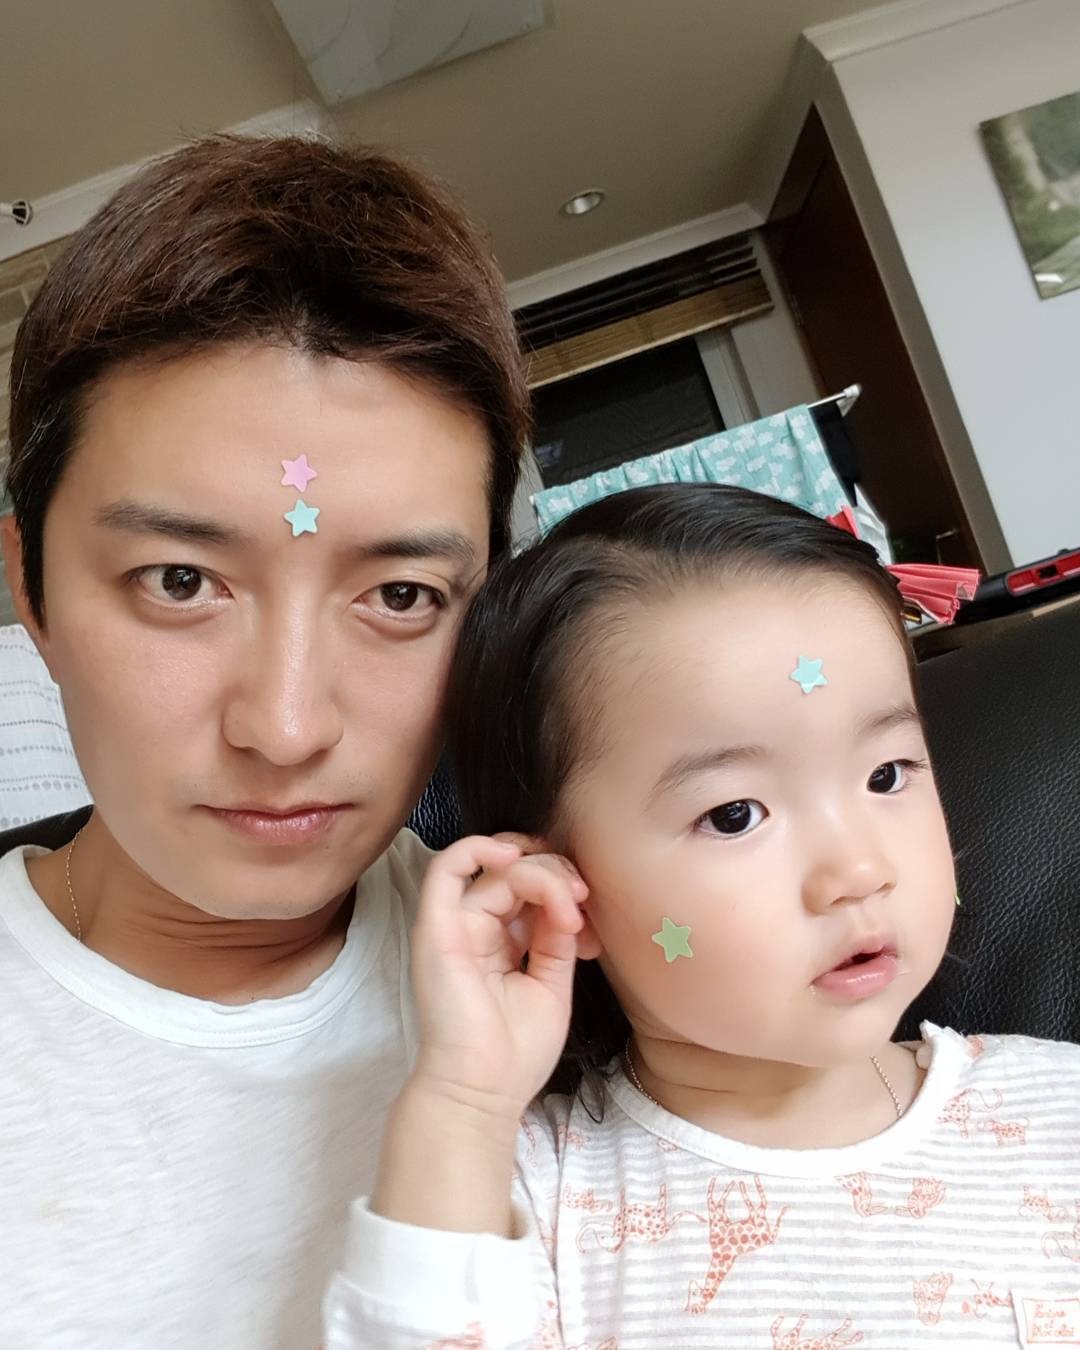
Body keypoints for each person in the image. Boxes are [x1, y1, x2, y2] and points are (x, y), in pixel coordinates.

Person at [0, 133, 535, 1348]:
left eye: (401, 596)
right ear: (31, 585)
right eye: (180, 581)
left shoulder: (593, 984)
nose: (287, 728)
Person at [343, 484, 1080, 1347]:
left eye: (886, 775)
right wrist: (466, 1099)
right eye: (735, 815)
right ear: (559, 892)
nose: (857, 871)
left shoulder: (1055, 1108)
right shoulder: (526, 1199)